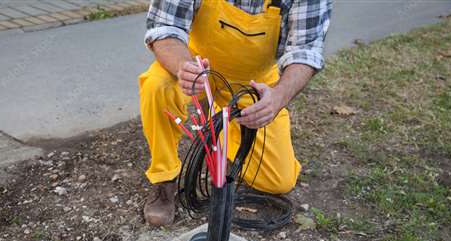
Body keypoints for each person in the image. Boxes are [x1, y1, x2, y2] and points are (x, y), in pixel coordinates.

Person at [140, 0, 332, 226]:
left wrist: (277, 98)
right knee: (157, 86)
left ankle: (223, 129)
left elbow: (306, 50)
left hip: (253, 83)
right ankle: (164, 179)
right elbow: (164, 27)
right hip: (197, 67)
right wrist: (184, 67)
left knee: (278, 181)